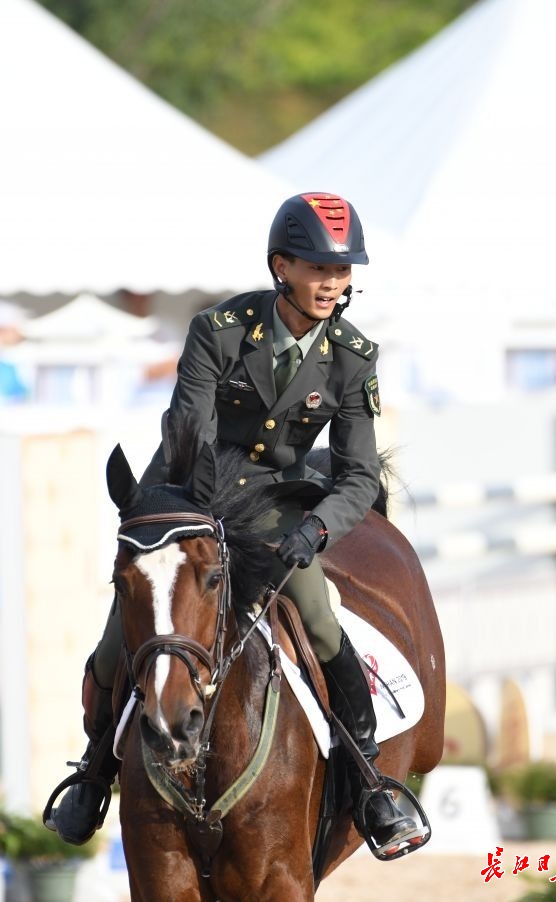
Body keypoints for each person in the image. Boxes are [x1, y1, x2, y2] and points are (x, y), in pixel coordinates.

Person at [47, 192, 426, 858]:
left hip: (280, 502)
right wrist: (200, 518)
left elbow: (360, 477)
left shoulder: (353, 354)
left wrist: (315, 532)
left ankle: (370, 780)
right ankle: (94, 773)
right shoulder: (219, 328)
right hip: (192, 486)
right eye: (317, 267)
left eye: (342, 270)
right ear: (281, 265)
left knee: (320, 618)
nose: (332, 282)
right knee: (122, 634)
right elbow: (188, 429)